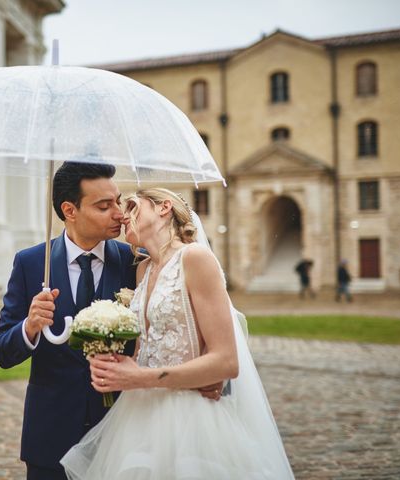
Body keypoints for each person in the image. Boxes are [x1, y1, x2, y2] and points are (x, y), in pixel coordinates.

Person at [0, 164, 224, 480]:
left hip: (127, 433)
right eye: (105, 206)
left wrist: (209, 377)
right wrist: (30, 327)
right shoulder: (31, 263)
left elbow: (196, 324)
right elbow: (3, 353)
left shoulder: (138, 262)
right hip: (51, 438)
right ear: (69, 210)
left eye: (118, 201)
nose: (119, 213)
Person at [61, 188, 294, 479]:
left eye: (133, 206)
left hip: (190, 418)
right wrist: (110, 362)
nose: (122, 215)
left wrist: (139, 378)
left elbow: (226, 362)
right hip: (137, 417)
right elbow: (144, 348)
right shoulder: (142, 270)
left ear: (164, 208)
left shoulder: (195, 259)